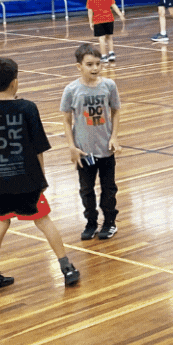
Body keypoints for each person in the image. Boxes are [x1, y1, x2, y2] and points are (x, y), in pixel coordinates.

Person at [0, 56, 80, 293]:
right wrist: (41, 179)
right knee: (43, 221)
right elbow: (38, 147)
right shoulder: (28, 107)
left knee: (0, 223)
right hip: (27, 178)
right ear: (15, 83)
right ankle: (67, 269)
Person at [60, 43, 121, 241]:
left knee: (108, 188)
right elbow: (67, 120)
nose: (95, 68)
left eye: (98, 63)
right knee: (86, 189)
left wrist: (114, 136)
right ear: (79, 67)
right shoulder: (71, 90)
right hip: (84, 151)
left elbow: (116, 110)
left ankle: (110, 222)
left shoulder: (109, 86)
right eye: (89, 64)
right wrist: (71, 147)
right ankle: (91, 222)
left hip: (105, 149)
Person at [86, 0, 124, 64]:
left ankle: (103, 56)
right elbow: (113, 5)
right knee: (109, 37)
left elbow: (90, 11)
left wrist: (90, 22)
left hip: (98, 20)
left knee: (101, 38)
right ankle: (111, 53)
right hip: (109, 19)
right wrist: (120, 14)